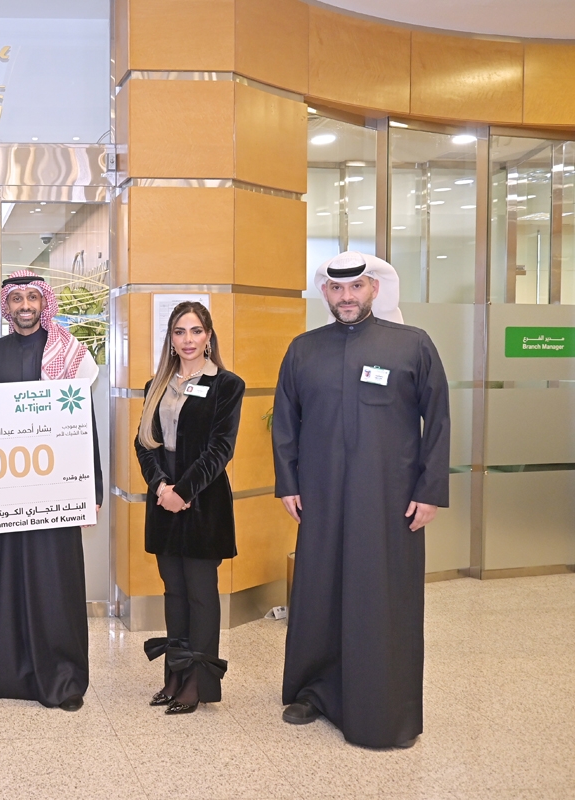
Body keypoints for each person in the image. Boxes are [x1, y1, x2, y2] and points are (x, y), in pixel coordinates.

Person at [273, 251, 450, 749]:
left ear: (374, 288)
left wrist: (430, 490)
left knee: (381, 596)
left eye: (356, 287)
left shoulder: (412, 344)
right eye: (336, 288)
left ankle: (385, 700)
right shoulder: (304, 349)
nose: (346, 297)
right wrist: (288, 482)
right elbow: (285, 421)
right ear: (325, 292)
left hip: (389, 501)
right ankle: (313, 690)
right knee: (319, 591)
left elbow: (438, 420)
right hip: (321, 498)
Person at [0, 270, 103, 711]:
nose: (25, 306)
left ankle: (63, 679)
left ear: (44, 303)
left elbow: (83, 422)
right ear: (6, 306)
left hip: (58, 487)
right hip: (5, 488)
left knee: (54, 580)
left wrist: (92, 487)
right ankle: (4, 673)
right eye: (17, 299)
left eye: (32, 297)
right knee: (8, 577)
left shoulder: (68, 354)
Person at [134, 301, 244, 715]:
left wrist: (183, 491)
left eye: (196, 331)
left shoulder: (227, 385)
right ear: (171, 338)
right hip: (164, 502)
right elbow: (144, 445)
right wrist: (162, 487)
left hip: (203, 502)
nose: (188, 340)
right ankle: (174, 678)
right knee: (174, 592)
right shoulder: (156, 385)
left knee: (200, 593)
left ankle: (198, 684)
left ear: (209, 336)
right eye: (180, 332)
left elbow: (220, 449)